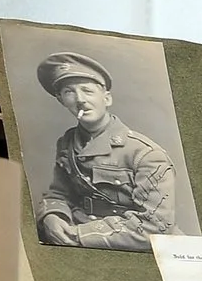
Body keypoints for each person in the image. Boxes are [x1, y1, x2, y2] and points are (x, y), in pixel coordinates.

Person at [31, 52, 181, 251]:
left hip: (134, 248)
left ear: (107, 98)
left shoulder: (146, 154)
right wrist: (53, 216)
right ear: (60, 100)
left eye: (87, 91)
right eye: (69, 92)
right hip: (79, 238)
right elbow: (58, 193)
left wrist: (77, 235)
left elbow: (154, 228)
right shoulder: (67, 144)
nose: (80, 100)